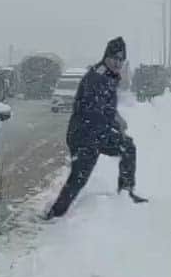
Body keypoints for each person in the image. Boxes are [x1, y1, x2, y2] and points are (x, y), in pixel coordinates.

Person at [44, 37, 146, 219]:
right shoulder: (97, 77)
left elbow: (107, 108)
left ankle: (126, 192)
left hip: (98, 133)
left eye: (121, 59)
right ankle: (55, 214)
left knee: (128, 147)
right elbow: (96, 110)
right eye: (115, 58)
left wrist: (116, 120)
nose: (118, 62)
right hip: (84, 135)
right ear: (106, 57)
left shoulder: (108, 76)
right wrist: (115, 124)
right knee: (79, 178)